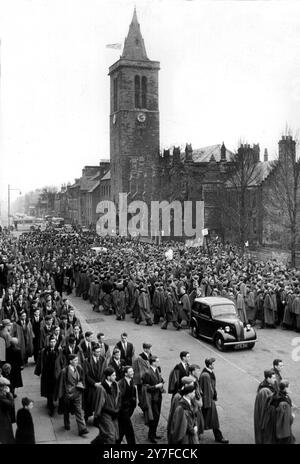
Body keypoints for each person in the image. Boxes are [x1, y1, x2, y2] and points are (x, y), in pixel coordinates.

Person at [55, 353, 89, 436]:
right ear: (70, 361)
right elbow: (61, 384)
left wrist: (81, 385)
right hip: (68, 395)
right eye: (75, 360)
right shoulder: (64, 371)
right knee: (66, 410)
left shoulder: (79, 368)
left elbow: (81, 378)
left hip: (77, 393)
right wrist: (60, 396)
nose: (77, 362)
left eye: (77, 360)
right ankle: (66, 423)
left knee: (79, 411)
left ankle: (82, 428)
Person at [199, 358, 229, 443]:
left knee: (202, 419)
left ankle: (196, 434)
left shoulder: (209, 373)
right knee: (212, 419)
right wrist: (208, 403)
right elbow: (207, 390)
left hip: (208, 401)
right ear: (209, 365)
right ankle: (218, 437)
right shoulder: (206, 375)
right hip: (207, 401)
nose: (214, 365)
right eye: (213, 364)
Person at [93, 367, 120, 444]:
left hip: (114, 413)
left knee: (108, 434)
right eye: (113, 375)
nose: (115, 377)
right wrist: (97, 417)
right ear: (108, 377)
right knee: (111, 435)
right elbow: (99, 404)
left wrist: (117, 409)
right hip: (105, 414)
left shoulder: (115, 385)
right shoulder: (101, 388)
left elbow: (118, 398)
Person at [83, 342, 109, 422]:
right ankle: (86, 416)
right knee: (89, 402)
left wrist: (101, 383)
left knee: (99, 402)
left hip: (100, 385)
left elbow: (105, 372)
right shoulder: (87, 361)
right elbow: (87, 375)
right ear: (93, 352)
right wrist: (94, 383)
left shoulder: (103, 359)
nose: (98, 353)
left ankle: (97, 419)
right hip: (91, 385)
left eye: (99, 351)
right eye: (97, 352)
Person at [34, 335, 60, 416]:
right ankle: (51, 407)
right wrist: (38, 372)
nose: (52, 343)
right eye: (51, 342)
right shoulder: (44, 351)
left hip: (55, 374)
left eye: (54, 342)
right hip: (47, 374)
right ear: (49, 342)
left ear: (56, 342)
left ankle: (53, 403)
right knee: (49, 391)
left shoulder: (59, 351)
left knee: (55, 390)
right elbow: (40, 362)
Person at [142, 355, 165, 443]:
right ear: (153, 362)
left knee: (157, 416)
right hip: (152, 399)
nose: (158, 362)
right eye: (157, 361)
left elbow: (160, 379)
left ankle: (153, 433)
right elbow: (145, 387)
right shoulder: (147, 373)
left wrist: (162, 382)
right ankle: (151, 436)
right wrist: (156, 386)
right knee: (154, 417)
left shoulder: (157, 370)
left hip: (158, 397)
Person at [253, 369, 276, 444]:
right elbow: (264, 409)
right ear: (268, 378)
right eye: (273, 378)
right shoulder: (264, 391)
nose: (275, 379)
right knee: (264, 437)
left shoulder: (270, 385)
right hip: (264, 418)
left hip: (265, 417)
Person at [117, 365, 137, 444]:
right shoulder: (121, 383)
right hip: (123, 411)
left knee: (121, 429)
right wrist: (122, 409)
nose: (133, 373)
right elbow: (119, 399)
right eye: (130, 372)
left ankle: (117, 441)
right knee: (129, 430)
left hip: (129, 409)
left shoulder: (131, 381)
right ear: (125, 374)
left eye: (132, 371)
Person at [132, 342, 152, 409]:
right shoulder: (140, 358)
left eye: (149, 348)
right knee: (142, 396)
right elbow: (141, 371)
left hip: (148, 380)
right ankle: (143, 407)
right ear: (144, 349)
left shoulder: (150, 356)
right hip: (142, 381)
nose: (149, 350)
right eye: (148, 348)